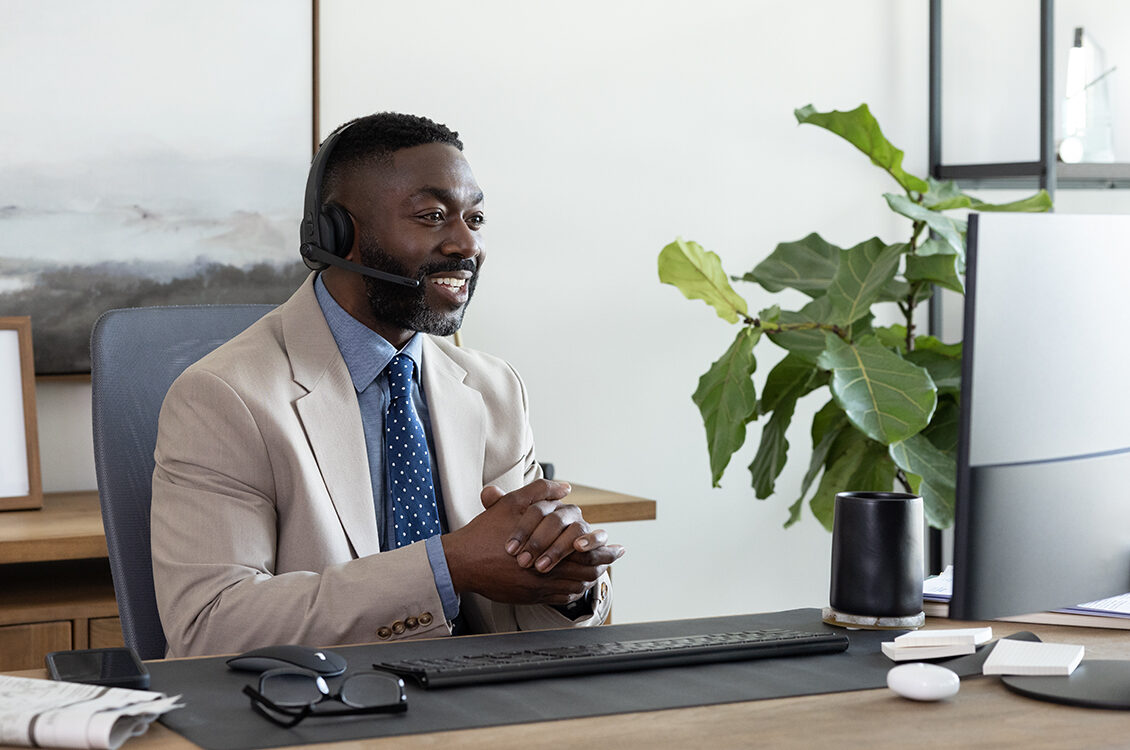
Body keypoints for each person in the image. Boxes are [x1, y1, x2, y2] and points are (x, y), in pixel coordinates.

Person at [151, 113, 624, 658]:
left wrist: (562, 581)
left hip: (486, 700)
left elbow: (514, 616)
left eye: (476, 218)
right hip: (327, 715)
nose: (467, 244)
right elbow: (210, 628)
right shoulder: (222, 397)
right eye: (432, 216)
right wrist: (445, 566)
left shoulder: (494, 389)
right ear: (340, 235)